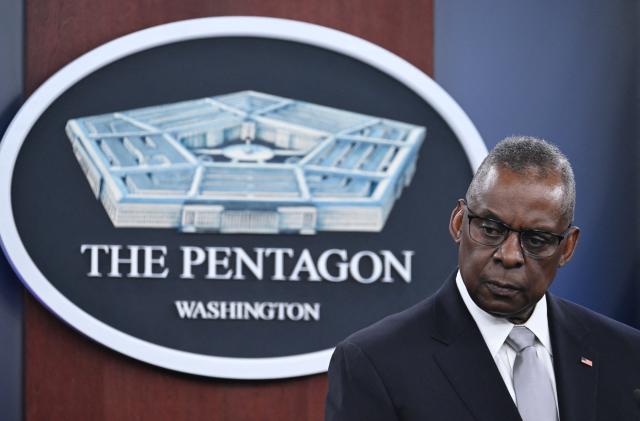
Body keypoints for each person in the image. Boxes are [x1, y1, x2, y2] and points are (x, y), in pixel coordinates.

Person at [325, 136, 640, 421]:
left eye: (536, 240)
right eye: (491, 229)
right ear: (459, 222)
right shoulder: (375, 363)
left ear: (567, 247)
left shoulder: (626, 355)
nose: (510, 255)